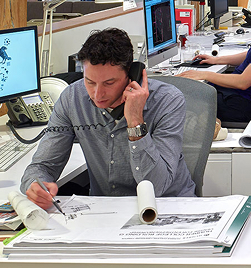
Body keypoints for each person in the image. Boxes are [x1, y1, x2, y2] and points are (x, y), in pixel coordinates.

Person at [21, 28, 195, 207]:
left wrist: (135, 121)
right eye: (90, 82)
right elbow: (42, 166)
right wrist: (36, 184)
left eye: (109, 83)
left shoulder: (168, 101)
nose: (97, 94)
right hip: (106, 212)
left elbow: (156, 187)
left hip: (168, 207)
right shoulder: (72, 99)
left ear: (131, 74)